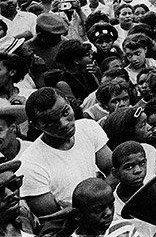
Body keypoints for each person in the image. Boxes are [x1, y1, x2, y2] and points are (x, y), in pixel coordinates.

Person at [18, 87, 113, 217]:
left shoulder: (88, 127)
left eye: (65, 112)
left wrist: (85, 206)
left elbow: (115, 172)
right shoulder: (29, 165)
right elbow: (54, 219)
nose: (63, 124)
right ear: (35, 125)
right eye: (51, 122)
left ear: (69, 103)